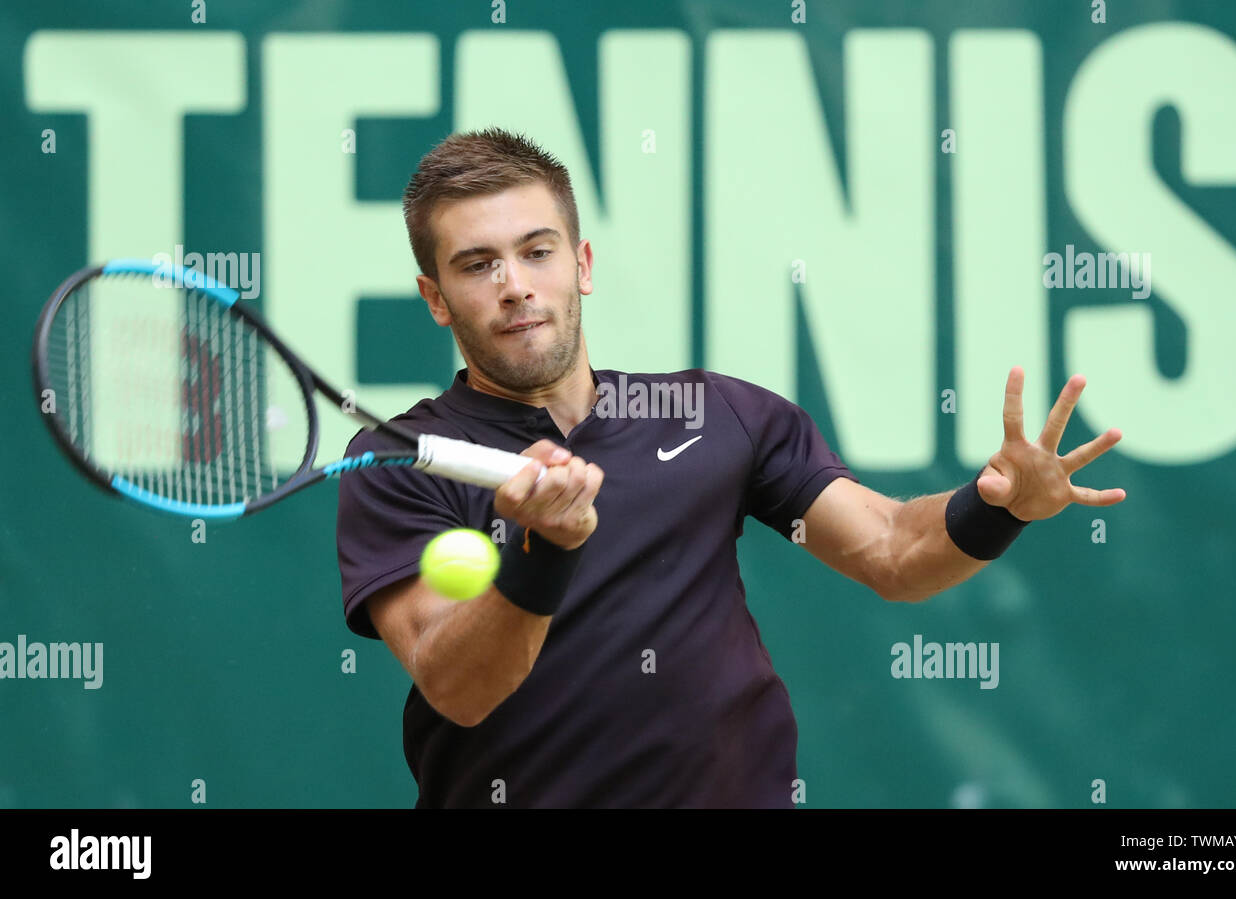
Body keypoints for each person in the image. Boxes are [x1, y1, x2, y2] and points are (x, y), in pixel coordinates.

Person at [335, 127, 1126, 809]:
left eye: (535, 252)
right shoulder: (396, 459)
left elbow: (892, 551)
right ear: (434, 297)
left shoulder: (717, 416)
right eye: (477, 266)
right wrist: (543, 549)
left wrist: (999, 507)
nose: (515, 286)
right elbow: (458, 686)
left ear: (580, 262)